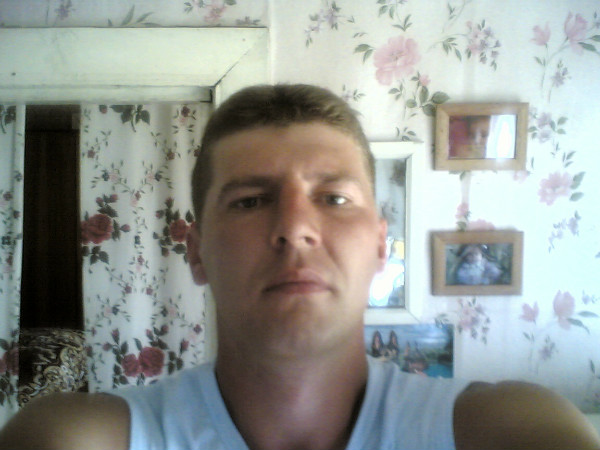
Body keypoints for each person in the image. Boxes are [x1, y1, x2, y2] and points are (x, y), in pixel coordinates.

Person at [1, 84, 599, 450]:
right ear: (197, 252)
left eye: (334, 198)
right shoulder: (82, 439)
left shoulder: (504, 430)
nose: (294, 226)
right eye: (249, 200)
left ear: (380, 246)